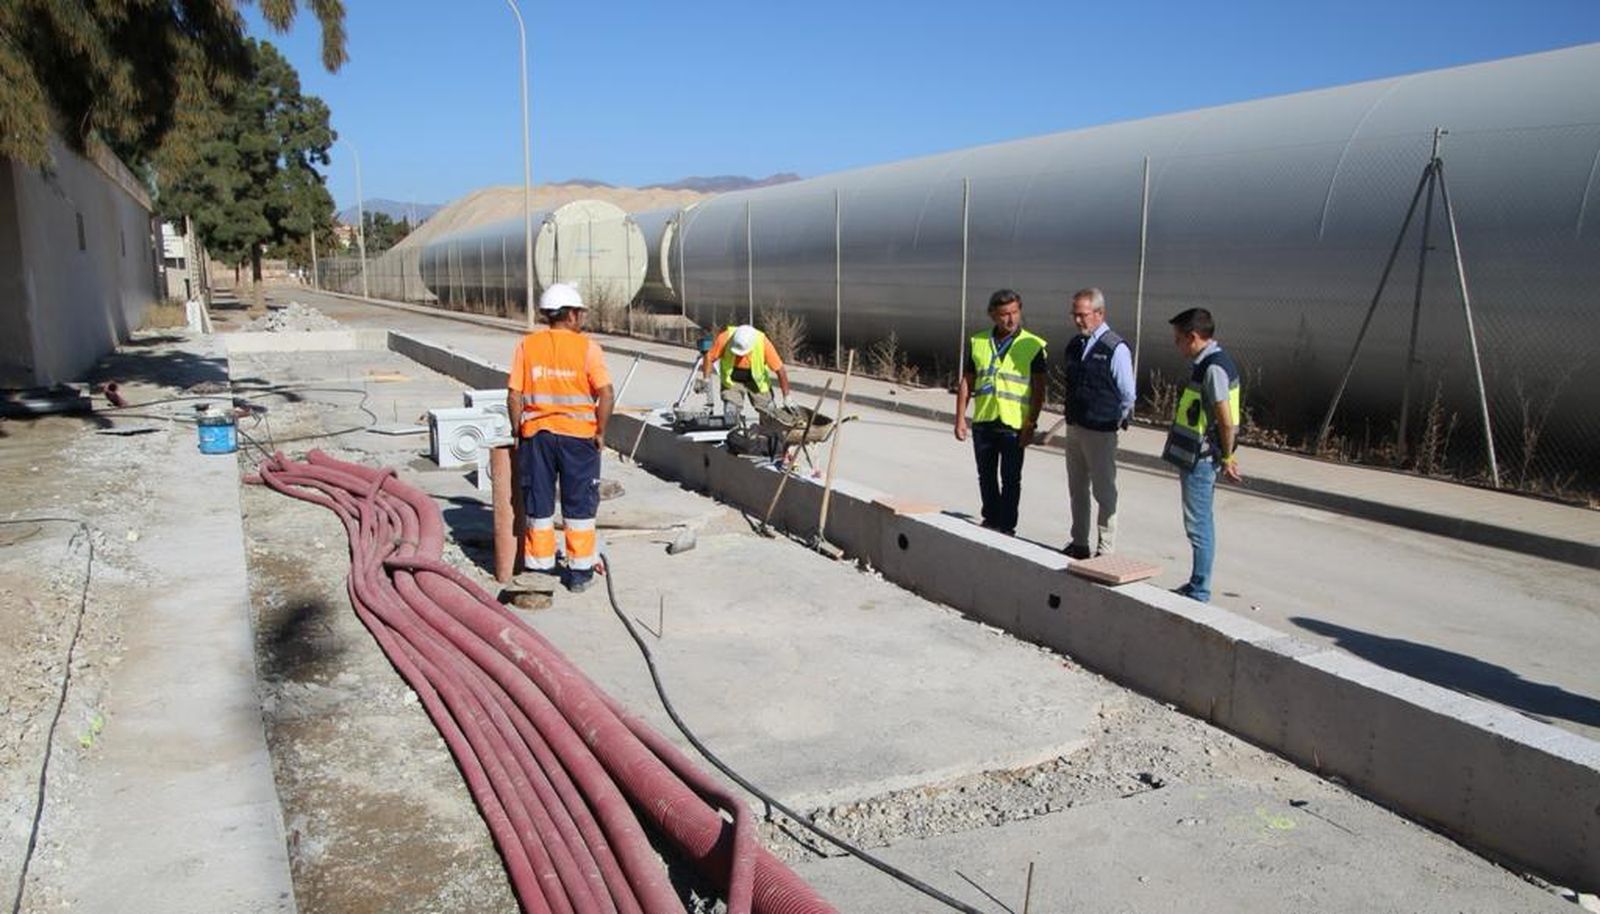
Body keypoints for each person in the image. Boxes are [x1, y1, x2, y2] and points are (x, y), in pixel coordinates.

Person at [505, 283, 615, 593]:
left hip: (536, 438)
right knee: (579, 503)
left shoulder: (527, 346)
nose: (581, 318)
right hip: (579, 440)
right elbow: (605, 394)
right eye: (579, 313)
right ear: (568, 314)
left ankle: (539, 567)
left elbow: (514, 396)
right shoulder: (588, 348)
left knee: (538, 502)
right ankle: (579, 572)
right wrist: (601, 432)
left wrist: (517, 432)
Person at [1162, 307, 1242, 603]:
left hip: (1202, 458)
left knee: (1198, 524)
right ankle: (1198, 584)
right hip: (1199, 455)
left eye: (1178, 339)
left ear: (1193, 337)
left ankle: (1200, 589)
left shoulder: (1213, 368)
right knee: (1199, 521)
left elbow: (1225, 418)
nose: (1176, 344)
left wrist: (1228, 457)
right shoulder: (1210, 362)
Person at [954, 289, 1048, 536]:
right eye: (1004, 314)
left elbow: (1039, 391)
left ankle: (1007, 526)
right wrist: (960, 419)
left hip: (1014, 425)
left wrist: (1031, 424)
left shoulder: (1033, 346)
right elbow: (967, 381)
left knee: (1010, 478)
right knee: (985, 475)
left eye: (1015, 312)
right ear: (992, 315)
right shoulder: (979, 343)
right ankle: (991, 519)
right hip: (985, 420)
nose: (1011, 319)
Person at [1061, 288, 1136, 559]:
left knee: (1104, 491)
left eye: (1082, 315)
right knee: (1077, 488)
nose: (1078, 320)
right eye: (1075, 315)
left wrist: (1115, 418)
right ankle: (1079, 542)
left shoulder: (1115, 348)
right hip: (1076, 427)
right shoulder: (1075, 345)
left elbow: (1128, 392)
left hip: (1101, 431)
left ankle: (1105, 549)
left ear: (1099, 314)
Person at [698, 323, 793, 420]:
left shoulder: (763, 343)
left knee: (769, 412)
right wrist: (706, 379)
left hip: (757, 382)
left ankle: (768, 432)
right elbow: (709, 358)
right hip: (732, 380)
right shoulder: (725, 338)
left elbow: (780, 370)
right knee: (730, 412)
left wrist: (787, 397)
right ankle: (734, 432)